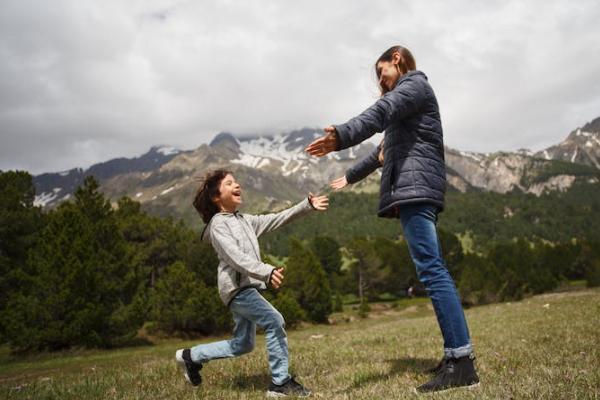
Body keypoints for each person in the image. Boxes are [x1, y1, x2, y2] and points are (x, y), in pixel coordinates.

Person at [305, 45, 479, 393]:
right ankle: (455, 356)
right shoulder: (407, 104)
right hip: (415, 188)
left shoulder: (413, 86)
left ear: (396, 58)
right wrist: (351, 176)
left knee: (432, 270)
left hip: (416, 189)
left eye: (381, 71)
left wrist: (341, 135)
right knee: (432, 269)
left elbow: (380, 112)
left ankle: (461, 361)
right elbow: (381, 152)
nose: (380, 81)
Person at [175, 169, 328, 397]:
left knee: (243, 344)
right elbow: (235, 257)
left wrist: (306, 205)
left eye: (236, 182)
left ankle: (191, 357)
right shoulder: (218, 225)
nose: (237, 185)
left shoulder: (246, 221)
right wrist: (267, 271)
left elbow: (277, 218)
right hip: (237, 290)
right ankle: (280, 384)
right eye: (229, 183)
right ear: (216, 197)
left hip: (245, 288)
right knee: (275, 320)